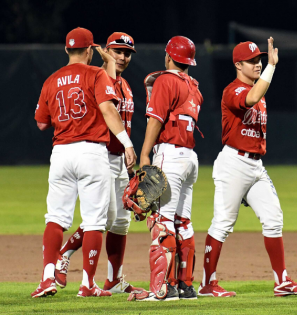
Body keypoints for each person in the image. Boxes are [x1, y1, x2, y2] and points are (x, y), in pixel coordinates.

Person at [198, 38, 297, 298]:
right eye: (252, 61)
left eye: (259, 59)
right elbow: (251, 97)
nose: (258, 64)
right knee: (223, 224)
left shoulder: (260, 93)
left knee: (274, 219)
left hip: (255, 165)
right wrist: (272, 67)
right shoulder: (233, 91)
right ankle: (207, 283)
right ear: (238, 65)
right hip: (234, 163)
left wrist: (268, 69)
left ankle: (282, 281)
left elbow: (258, 94)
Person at [32, 27, 136, 298]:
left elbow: (42, 122)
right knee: (94, 221)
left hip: (61, 153)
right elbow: (107, 109)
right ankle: (88, 284)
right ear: (90, 50)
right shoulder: (96, 73)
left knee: (55, 217)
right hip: (92, 151)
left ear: (67, 49)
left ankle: (46, 279)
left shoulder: (51, 80)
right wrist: (127, 143)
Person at [137, 35, 202, 301]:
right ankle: (184, 286)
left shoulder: (166, 80)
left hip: (170, 155)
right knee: (182, 222)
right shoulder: (194, 85)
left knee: (162, 223)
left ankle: (163, 289)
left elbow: (155, 121)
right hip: (190, 159)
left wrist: (144, 155)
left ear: (168, 56)